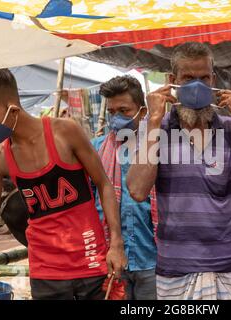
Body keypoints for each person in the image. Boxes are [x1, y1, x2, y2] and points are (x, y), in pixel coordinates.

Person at [0, 69, 126, 300]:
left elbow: (104, 184)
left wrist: (116, 244)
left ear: (13, 106)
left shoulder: (64, 132)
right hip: (46, 272)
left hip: (91, 260)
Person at [126, 42, 231, 300]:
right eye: (188, 78)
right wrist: (155, 120)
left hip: (228, 263)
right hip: (177, 266)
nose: (197, 85)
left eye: (204, 77)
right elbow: (136, 190)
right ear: (173, 81)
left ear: (214, 79)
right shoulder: (157, 130)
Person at [91, 76, 158, 300]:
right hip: (110, 258)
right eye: (112, 112)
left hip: (153, 258)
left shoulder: (158, 147)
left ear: (142, 111)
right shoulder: (96, 149)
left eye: (124, 110)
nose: (117, 118)